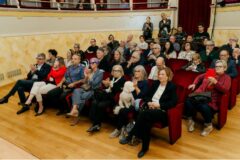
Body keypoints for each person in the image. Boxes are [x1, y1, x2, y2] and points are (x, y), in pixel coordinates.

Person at [119, 67, 177, 158]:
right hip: (150, 108)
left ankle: (130, 135)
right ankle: (144, 148)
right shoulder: (155, 83)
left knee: (143, 114)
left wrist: (158, 105)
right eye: (159, 74)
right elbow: (147, 96)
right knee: (146, 123)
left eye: (162, 74)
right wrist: (149, 102)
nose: (160, 76)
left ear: (168, 77)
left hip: (161, 111)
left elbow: (173, 103)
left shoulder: (172, 86)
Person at [185, 60, 231, 136]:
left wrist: (216, 82)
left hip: (212, 99)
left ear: (225, 68)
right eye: (216, 66)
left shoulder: (227, 78)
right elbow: (199, 77)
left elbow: (225, 90)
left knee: (203, 106)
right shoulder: (211, 73)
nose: (217, 68)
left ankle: (208, 125)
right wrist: (194, 84)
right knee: (188, 101)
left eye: (220, 66)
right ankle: (190, 120)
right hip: (201, 95)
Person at [110, 65, 148, 139]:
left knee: (123, 110)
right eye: (135, 71)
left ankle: (119, 129)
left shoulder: (145, 83)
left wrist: (136, 86)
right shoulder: (131, 80)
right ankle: (121, 129)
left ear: (142, 73)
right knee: (120, 108)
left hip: (136, 104)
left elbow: (142, 96)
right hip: (127, 101)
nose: (136, 72)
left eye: (138, 71)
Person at [87, 65, 126, 132]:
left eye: (117, 71)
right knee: (94, 102)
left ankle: (96, 124)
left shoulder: (123, 80)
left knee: (100, 105)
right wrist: (106, 84)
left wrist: (111, 85)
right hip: (106, 96)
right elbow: (106, 87)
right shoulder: (111, 77)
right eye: (114, 70)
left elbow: (118, 91)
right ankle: (95, 123)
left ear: (121, 72)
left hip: (113, 99)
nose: (115, 72)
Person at [67, 58, 103, 125]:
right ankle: (75, 109)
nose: (91, 64)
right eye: (90, 63)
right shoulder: (90, 71)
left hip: (94, 90)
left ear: (97, 64)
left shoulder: (100, 72)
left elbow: (94, 84)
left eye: (93, 63)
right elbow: (85, 82)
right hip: (85, 87)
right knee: (76, 90)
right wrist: (86, 77)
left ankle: (76, 115)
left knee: (81, 97)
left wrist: (89, 76)